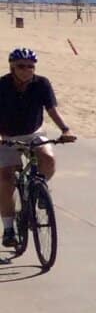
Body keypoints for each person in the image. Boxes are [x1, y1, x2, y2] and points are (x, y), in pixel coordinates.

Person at [1, 47, 76, 246]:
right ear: (12, 67)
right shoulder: (2, 85)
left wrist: (65, 129)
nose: (26, 70)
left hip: (33, 132)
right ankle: (9, 229)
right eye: (21, 66)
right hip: (6, 136)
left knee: (48, 159)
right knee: (6, 180)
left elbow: (51, 110)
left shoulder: (41, 84)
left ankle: (39, 190)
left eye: (31, 67)